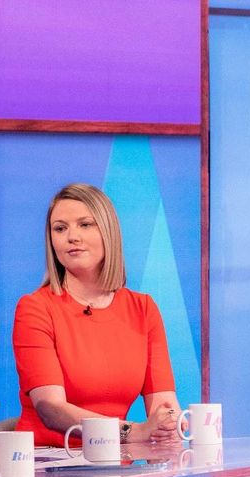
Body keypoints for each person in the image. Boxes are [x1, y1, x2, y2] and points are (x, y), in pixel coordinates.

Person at [13, 183, 181, 447]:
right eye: (60, 228)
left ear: (108, 232)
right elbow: (51, 408)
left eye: (85, 225)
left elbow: (164, 401)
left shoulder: (144, 309)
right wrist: (133, 432)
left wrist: (167, 424)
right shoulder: (35, 308)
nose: (72, 237)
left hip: (115, 464)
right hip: (49, 464)